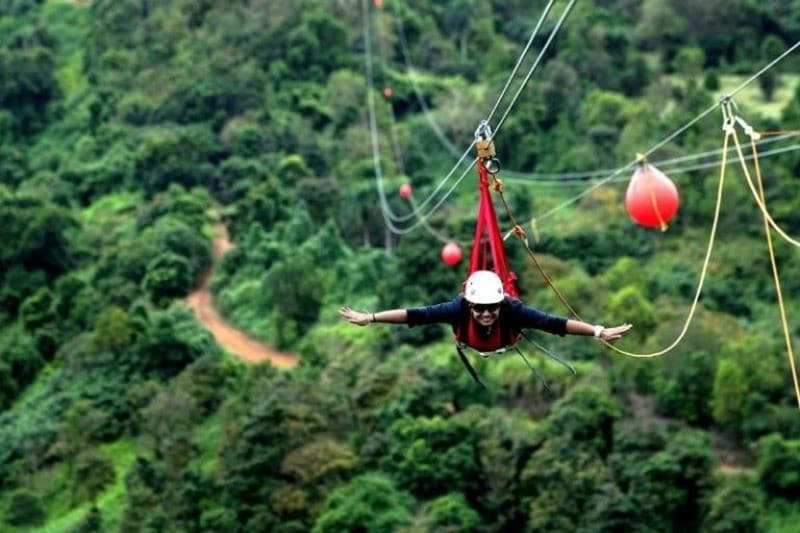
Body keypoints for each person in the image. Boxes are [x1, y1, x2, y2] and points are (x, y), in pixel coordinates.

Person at [339, 270, 632, 353]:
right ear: (470, 305)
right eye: (480, 309)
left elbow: (554, 323)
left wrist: (598, 331)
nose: (486, 314)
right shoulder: (457, 308)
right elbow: (415, 315)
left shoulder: (512, 310)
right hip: (470, 340)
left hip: (505, 339)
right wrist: (371, 318)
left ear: (500, 303)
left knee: (531, 318)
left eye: (492, 308)